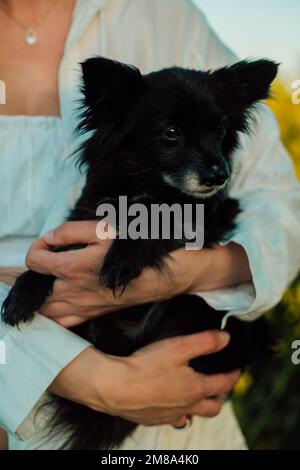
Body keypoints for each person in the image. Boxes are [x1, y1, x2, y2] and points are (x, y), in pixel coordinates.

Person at [0, 0, 299, 450]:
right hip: (21, 411)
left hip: (186, 420)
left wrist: (191, 271)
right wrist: (94, 379)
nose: (214, 164)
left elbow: (282, 210)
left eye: (217, 134)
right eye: (173, 136)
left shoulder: (164, 14)